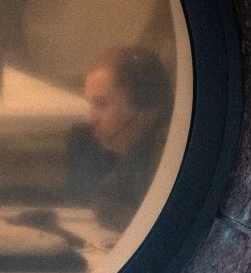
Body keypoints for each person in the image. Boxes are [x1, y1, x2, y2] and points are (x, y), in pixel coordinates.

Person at [65, 46, 173, 232]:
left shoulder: (170, 154)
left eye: (101, 104)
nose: (91, 118)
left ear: (143, 104)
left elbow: (164, 228)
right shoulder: (141, 147)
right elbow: (105, 198)